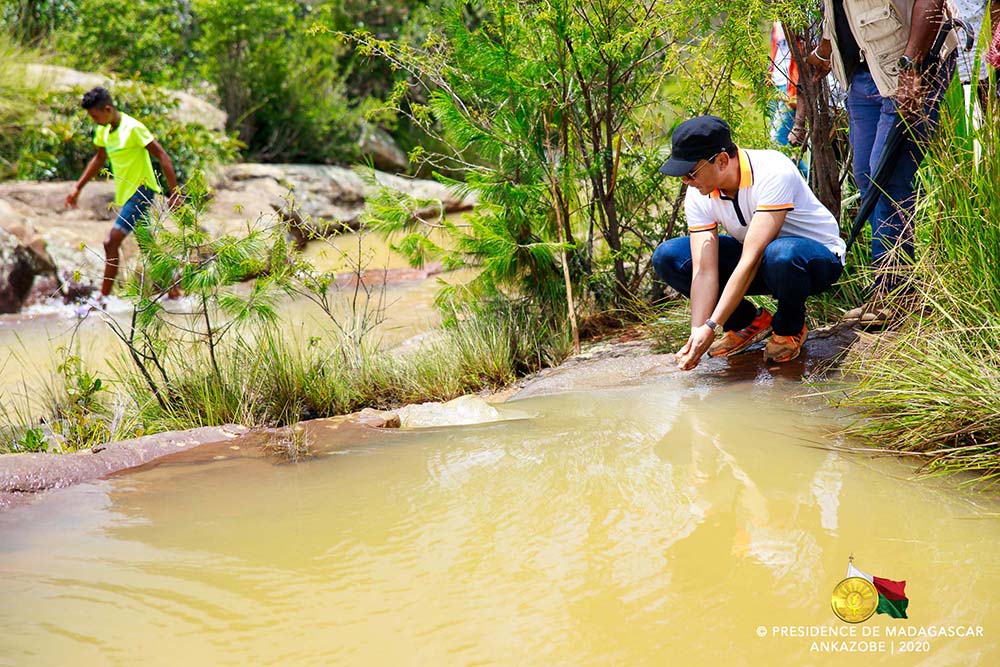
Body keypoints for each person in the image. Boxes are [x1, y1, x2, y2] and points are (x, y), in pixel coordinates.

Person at [807, 1, 959, 327]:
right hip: (865, 71)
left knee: (887, 175)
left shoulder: (914, 66)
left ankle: (893, 291)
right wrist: (824, 50)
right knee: (866, 175)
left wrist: (913, 66)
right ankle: (894, 285)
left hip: (911, 65)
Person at [652, 116, 846, 370]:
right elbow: (703, 269)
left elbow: (751, 258)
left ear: (722, 160)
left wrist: (712, 326)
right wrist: (698, 331)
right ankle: (746, 323)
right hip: (763, 263)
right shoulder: (699, 192)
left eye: (690, 173)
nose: (686, 181)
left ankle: (790, 327)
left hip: (812, 261)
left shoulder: (773, 170)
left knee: (781, 253)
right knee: (669, 256)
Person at [64, 86, 180, 303]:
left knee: (111, 241)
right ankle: (175, 292)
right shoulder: (103, 130)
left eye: (95, 116)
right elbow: (99, 159)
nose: (94, 120)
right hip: (126, 195)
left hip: (142, 191)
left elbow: (163, 156)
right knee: (148, 246)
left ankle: (102, 299)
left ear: (107, 109)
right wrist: (77, 187)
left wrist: (174, 192)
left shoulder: (133, 128)